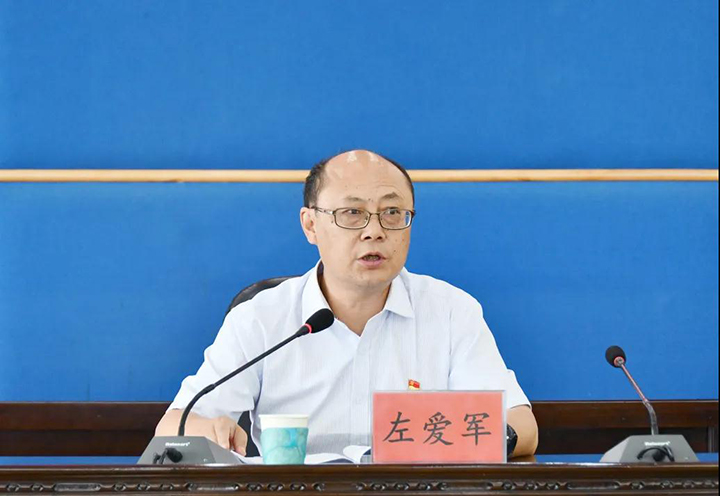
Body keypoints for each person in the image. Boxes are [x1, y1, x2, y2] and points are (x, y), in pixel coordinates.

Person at [156, 150, 538, 457]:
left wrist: (478, 438)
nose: (374, 231)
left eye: (392, 213)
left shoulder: (451, 311)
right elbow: (173, 426)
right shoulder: (261, 318)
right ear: (310, 225)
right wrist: (208, 428)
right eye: (352, 213)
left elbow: (521, 425)